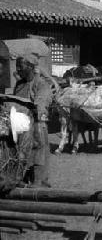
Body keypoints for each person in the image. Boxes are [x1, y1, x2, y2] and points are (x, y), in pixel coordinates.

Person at [13, 53, 52, 188]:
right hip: (20, 124)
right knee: (21, 152)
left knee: (38, 150)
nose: (17, 69)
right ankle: (23, 178)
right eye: (17, 66)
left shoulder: (41, 84)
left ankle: (39, 181)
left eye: (20, 66)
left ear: (30, 67)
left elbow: (41, 105)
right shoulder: (19, 84)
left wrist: (32, 112)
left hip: (36, 123)